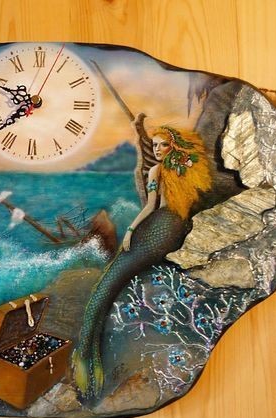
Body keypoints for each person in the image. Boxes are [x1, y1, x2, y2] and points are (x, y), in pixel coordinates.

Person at [72, 113, 213, 399]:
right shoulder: (183, 170)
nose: (157, 150)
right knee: (110, 285)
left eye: (162, 145)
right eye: (155, 145)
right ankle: (88, 353)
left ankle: (85, 354)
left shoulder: (163, 171)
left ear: (173, 147)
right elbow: (168, 203)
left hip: (160, 229)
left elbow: (152, 206)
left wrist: (130, 231)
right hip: (173, 229)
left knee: (107, 285)